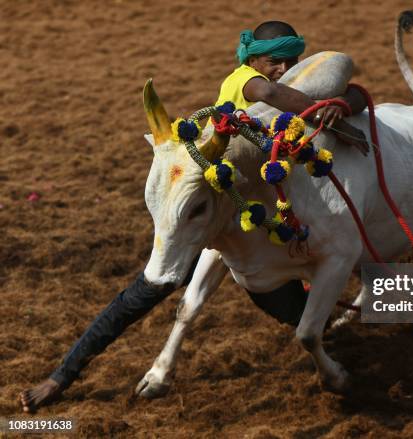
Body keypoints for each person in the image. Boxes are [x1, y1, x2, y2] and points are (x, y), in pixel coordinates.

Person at [19, 20, 367, 413]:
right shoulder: (247, 81)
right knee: (142, 295)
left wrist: (343, 105)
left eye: (292, 61)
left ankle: (365, 321)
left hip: (248, 219)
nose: (283, 69)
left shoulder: (286, 90)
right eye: (274, 61)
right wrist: (319, 113)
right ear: (252, 58)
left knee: (301, 313)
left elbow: (351, 92)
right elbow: (271, 91)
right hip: (205, 209)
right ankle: (60, 377)